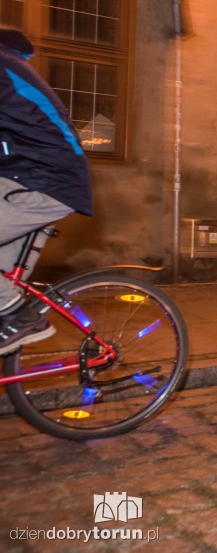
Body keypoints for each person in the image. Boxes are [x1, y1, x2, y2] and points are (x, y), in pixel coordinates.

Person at [0, 28, 93, 355]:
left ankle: (18, 313)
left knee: (4, 305)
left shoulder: (2, 63)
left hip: (46, 181)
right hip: (20, 178)